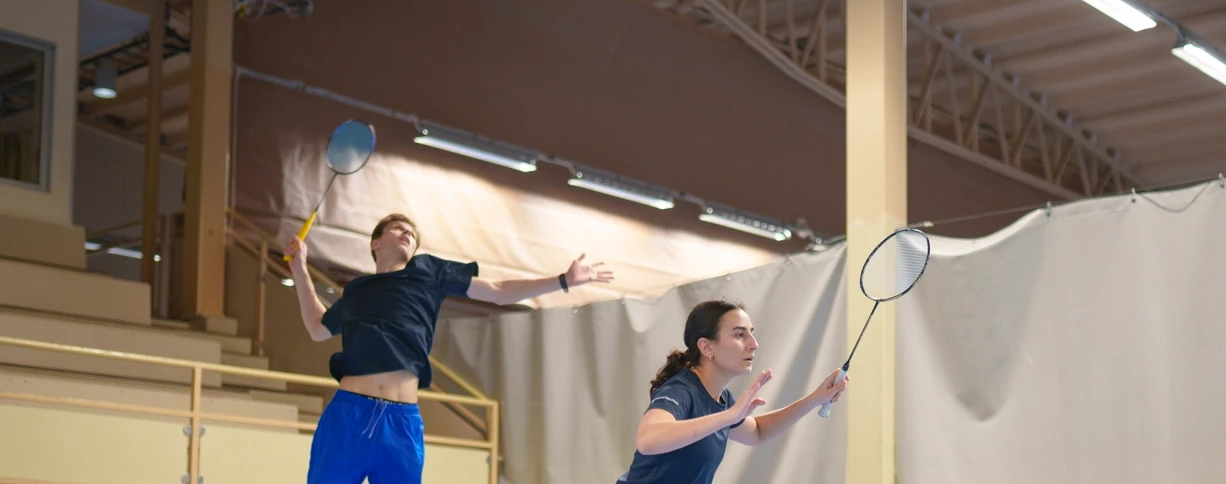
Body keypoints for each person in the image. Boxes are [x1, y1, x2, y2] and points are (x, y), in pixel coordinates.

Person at [285, 213, 614, 484]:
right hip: (349, 415)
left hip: (401, 423)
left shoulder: (427, 271)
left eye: (412, 233)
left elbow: (498, 291)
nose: (407, 234)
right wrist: (300, 268)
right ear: (376, 243)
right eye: (398, 228)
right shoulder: (357, 291)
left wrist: (562, 281)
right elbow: (317, 327)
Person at [617, 300, 849, 484]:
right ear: (707, 347)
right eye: (740, 335)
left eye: (751, 333)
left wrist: (816, 398)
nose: (754, 343)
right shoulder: (681, 390)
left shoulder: (722, 398)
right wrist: (729, 417)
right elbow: (648, 440)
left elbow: (757, 432)